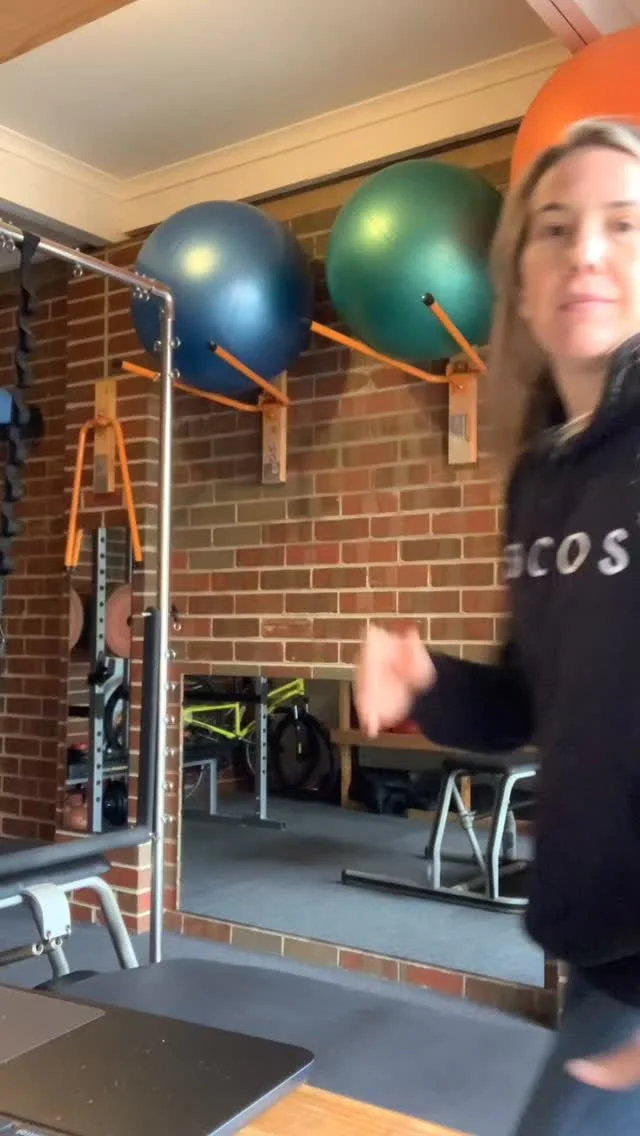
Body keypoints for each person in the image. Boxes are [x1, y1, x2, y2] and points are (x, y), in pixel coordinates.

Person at [353, 116, 640, 1134]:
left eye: (623, 223)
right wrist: (425, 677)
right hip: (602, 951)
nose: (587, 252)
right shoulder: (540, 477)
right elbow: (529, 702)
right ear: (518, 279)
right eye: (554, 228)